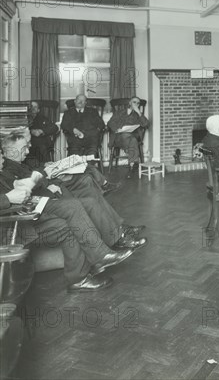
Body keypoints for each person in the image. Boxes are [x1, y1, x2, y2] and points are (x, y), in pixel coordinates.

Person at [0, 149, 135, 293]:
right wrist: (8, 198)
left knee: (72, 221)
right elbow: (8, 197)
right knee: (72, 208)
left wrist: (22, 185)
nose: (3, 159)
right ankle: (99, 256)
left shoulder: (3, 174)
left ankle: (80, 277)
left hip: (24, 217)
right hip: (14, 227)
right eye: (0, 156)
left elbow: (16, 186)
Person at [0, 131, 147, 250]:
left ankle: (118, 228)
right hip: (49, 194)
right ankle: (117, 235)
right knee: (85, 189)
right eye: (23, 148)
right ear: (10, 151)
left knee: (87, 183)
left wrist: (49, 167)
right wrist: (48, 176)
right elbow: (30, 185)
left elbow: (36, 171)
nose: (28, 150)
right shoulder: (7, 168)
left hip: (53, 186)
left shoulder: (20, 162)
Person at [107, 97, 149, 178]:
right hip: (118, 137)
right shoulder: (119, 112)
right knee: (129, 137)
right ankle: (134, 163)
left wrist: (139, 113)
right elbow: (110, 123)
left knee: (132, 138)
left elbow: (146, 124)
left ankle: (133, 164)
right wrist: (117, 129)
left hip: (131, 137)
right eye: (134, 102)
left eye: (138, 103)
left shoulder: (138, 115)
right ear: (130, 103)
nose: (136, 104)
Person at [27, 100, 59, 166]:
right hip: (28, 142)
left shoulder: (42, 118)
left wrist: (41, 131)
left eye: (35, 107)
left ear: (38, 110)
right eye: (31, 106)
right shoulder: (24, 118)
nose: (33, 108)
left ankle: (47, 166)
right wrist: (31, 131)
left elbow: (54, 127)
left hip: (40, 144)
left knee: (42, 146)